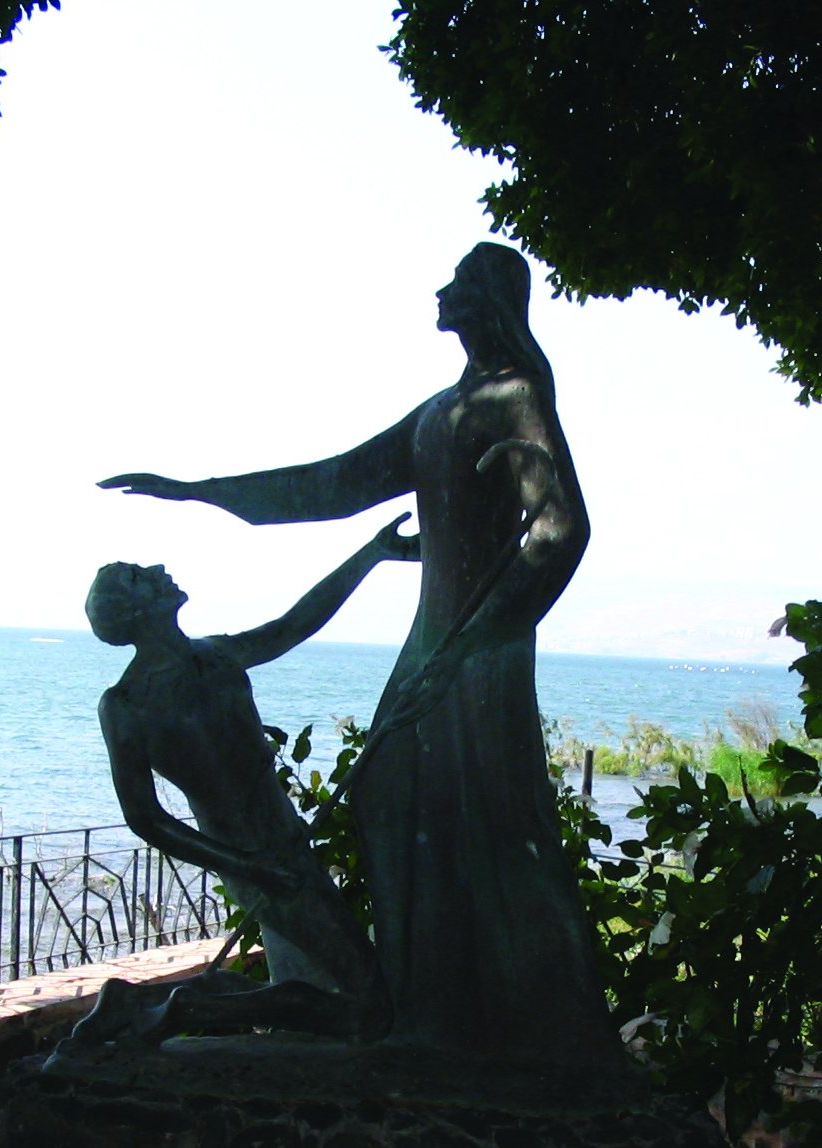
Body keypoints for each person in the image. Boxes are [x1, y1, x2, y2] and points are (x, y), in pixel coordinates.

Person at [100, 243, 622, 1082]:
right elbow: (331, 483)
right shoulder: (442, 413)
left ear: (488, 300)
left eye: (459, 281)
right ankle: (433, 1015)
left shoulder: (516, 397)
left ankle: (520, 1027)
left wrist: (473, 643)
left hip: (475, 649)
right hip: (439, 646)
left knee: (479, 814)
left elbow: (563, 528)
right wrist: (201, 490)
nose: (441, 291)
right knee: (394, 801)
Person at [55, 516, 417, 1055]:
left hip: (285, 845)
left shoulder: (216, 654)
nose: (156, 569)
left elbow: (294, 625)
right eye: (137, 576)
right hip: (254, 859)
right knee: (369, 1013)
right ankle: (182, 1008)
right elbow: (145, 818)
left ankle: (141, 1002)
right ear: (130, 613)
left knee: (357, 997)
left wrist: (372, 553)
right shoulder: (126, 705)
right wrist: (247, 866)